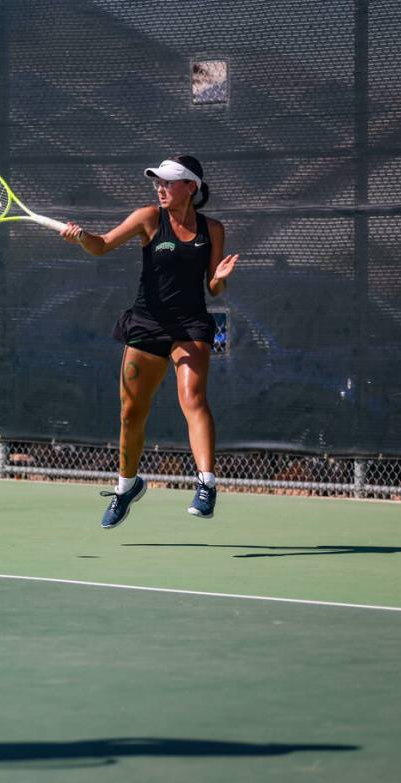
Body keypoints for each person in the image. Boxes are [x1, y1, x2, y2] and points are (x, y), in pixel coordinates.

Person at [60, 156, 238, 528]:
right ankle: (126, 487)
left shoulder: (213, 230)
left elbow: (213, 288)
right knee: (131, 414)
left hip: (190, 325)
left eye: (168, 182)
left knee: (193, 398)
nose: (160, 188)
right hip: (146, 323)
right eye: (157, 181)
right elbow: (103, 245)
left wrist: (220, 277)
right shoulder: (148, 218)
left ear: (191, 187)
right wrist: (81, 237)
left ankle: (206, 485)